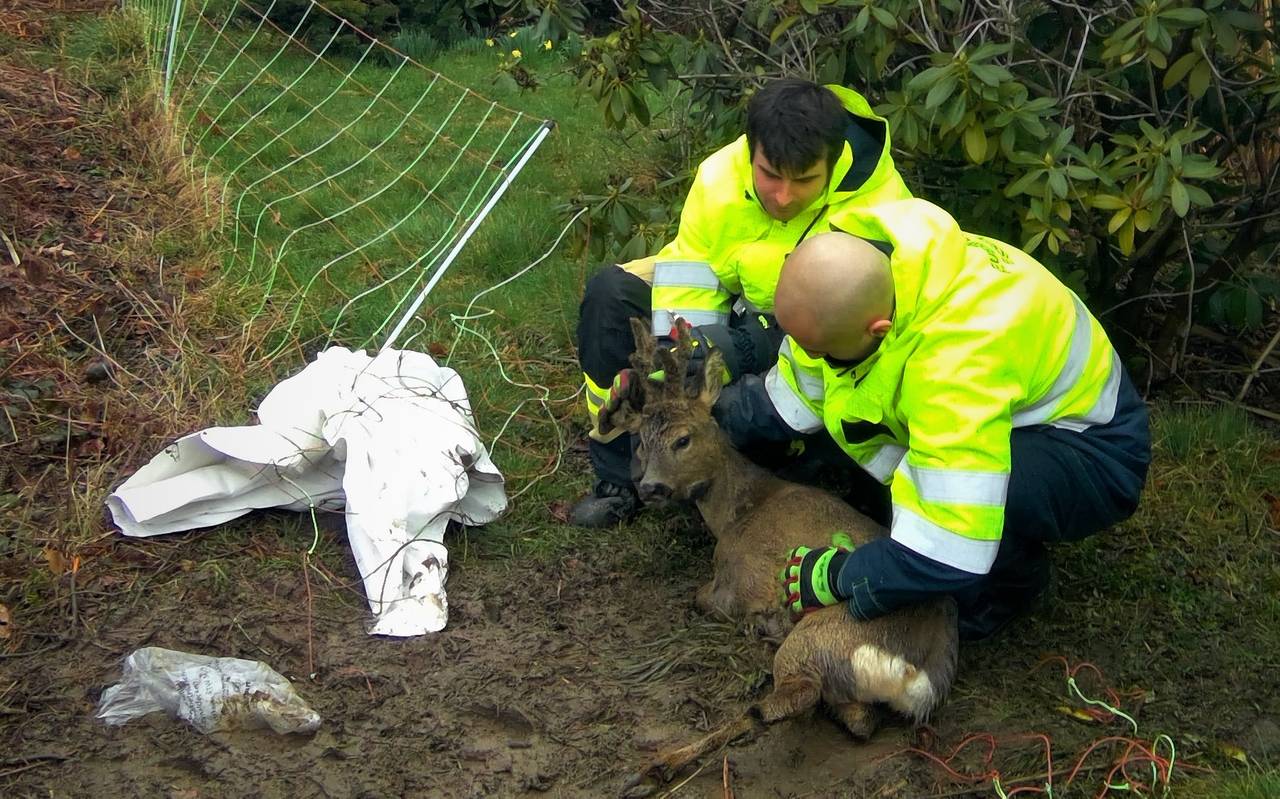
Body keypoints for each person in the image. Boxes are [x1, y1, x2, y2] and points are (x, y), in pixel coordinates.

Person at [709, 198, 1151, 640]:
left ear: (877, 329)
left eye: (819, 350)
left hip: (1093, 447)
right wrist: (720, 418)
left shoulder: (956, 367)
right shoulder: (870, 251)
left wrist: (842, 576)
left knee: (983, 506)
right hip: (1017, 402)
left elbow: (951, 533)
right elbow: (809, 378)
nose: (808, 357)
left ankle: (1004, 591)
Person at [571, 78, 912, 526]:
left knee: (766, 405)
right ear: (750, 151)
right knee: (609, 295)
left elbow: (844, 326)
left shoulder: (877, 205)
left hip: (814, 336)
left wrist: (735, 352)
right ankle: (623, 474)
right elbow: (691, 274)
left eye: (805, 181)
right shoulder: (719, 176)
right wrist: (679, 364)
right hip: (739, 307)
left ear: (833, 162)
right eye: (769, 175)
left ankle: (770, 475)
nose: (784, 197)